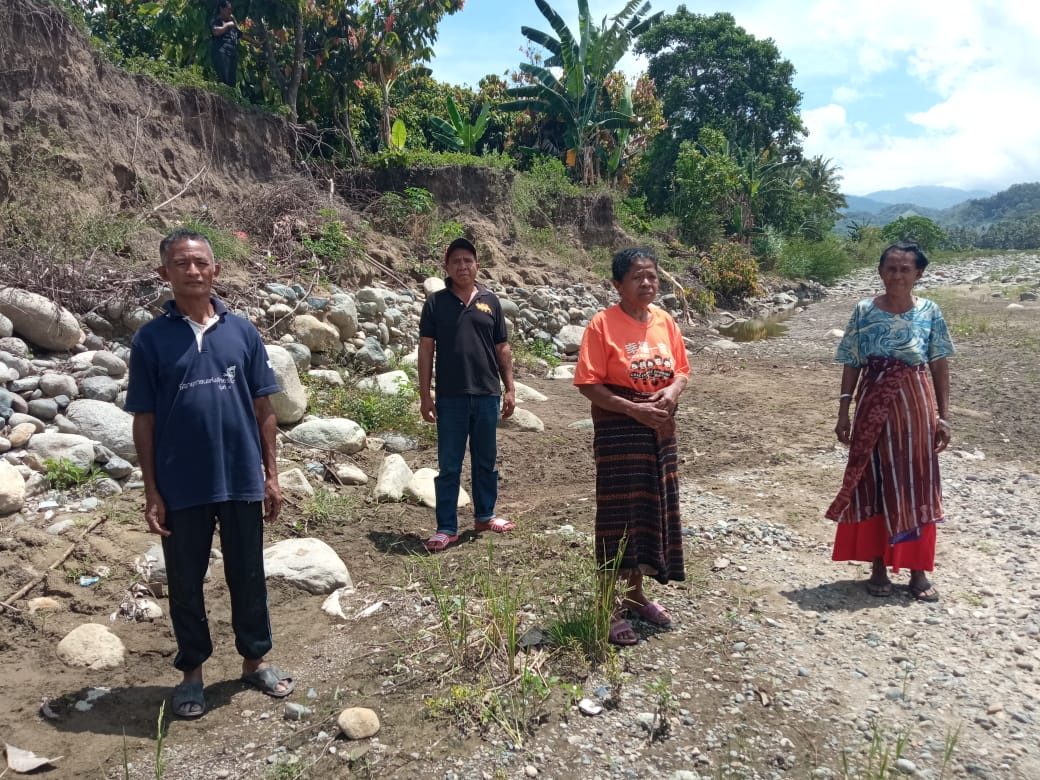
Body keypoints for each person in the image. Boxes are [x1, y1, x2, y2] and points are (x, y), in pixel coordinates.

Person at [126, 229, 293, 719]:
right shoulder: (151, 340)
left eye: (201, 263)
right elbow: (144, 419)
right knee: (185, 579)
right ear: (165, 273)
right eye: (182, 264)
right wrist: (152, 489)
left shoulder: (242, 331)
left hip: (241, 477)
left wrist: (271, 473)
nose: (193, 271)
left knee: (248, 573)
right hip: (182, 484)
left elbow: (264, 406)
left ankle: (254, 660)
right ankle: (192, 673)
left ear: (216, 270)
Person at [573, 248, 690, 646]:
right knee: (619, 516)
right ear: (617, 284)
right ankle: (608, 603)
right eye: (638, 277)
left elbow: (681, 372)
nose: (647, 283)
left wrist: (672, 393)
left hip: (659, 430)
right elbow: (589, 383)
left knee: (650, 512)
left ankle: (636, 593)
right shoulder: (602, 325)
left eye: (652, 276)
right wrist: (631, 410)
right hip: (620, 433)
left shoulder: (666, 322)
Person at [826, 241, 954, 602]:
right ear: (881, 272)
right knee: (874, 478)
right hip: (872, 404)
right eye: (890, 268)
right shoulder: (864, 311)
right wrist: (843, 412)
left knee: (918, 482)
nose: (897, 275)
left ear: (918, 274)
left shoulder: (930, 312)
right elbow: (852, 360)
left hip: (916, 406)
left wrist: (943, 417)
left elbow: (939, 363)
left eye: (905, 268)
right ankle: (878, 567)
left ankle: (918, 571)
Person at [418, 238, 516, 552]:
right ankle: (446, 527)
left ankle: (485, 516)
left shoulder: (491, 302)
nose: (463, 266)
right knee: (449, 464)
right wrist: (425, 394)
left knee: (486, 461)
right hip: (451, 397)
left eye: (468, 260)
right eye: (456, 261)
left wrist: (510, 388)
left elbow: (502, 348)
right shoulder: (436, 303)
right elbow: (426, 350)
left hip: (487, 393)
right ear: (447, 268)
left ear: (477, 266)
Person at [210, 0, 240, 88]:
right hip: (222, 52)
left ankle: (230, 100)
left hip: (232, 54)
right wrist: (228, 25)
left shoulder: (231, 23)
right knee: (223, 81)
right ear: (221, 9)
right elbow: (216, 32)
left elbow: (241, 34)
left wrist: (257, 43)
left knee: (231, 84)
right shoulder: (216, 20)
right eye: (228, 9)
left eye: (231, 10)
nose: (230, 12)